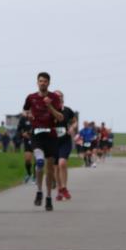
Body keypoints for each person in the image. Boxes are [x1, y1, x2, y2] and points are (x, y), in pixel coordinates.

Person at [23, 72, 64, 211]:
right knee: (39, 161)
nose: (42, 83)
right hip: (36, 134)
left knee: (50, 167)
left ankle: (48, 197)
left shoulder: (54, 98)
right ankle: (39, 191)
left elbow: (60, 118)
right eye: (40, 81)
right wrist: (28, 114)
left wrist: (50, 106)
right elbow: (24, 111)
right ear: (37, 82)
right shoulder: (31, 97)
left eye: (45, 81)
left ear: (49, 83)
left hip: (50, 135)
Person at [53, 91, 77, 201]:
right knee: (56, 167)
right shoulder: (49, 111)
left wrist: (72, 127)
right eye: (57, 96)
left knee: (62, 163)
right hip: (52, 141)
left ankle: (64, 187)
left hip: (65, 140)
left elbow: (74, 121)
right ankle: (59, 190)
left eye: (61, 96)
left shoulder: (67, 110)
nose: (59, 98)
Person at [16, 112, 34, 183]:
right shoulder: (23, 118)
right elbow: (18, 130)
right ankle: (29, 174)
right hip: (27, 141)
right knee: (27, 159)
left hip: (37, 140)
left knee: (38, 160)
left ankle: (36, 176)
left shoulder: (38, 116)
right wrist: (22, 134)